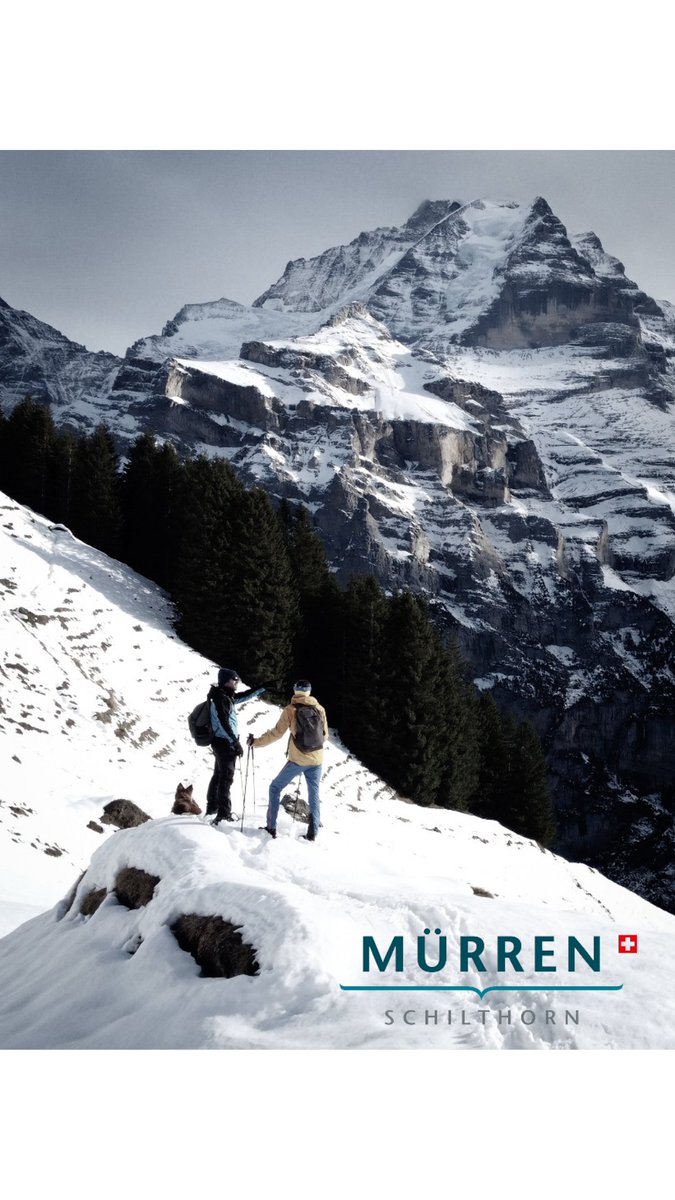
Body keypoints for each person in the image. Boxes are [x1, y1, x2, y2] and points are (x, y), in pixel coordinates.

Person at [248, 679, 328, 842]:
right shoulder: (319, 708)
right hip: (317, 759)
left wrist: (256, 742)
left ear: (295, 691)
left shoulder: (290, 710)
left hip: (298, 760)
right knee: (314, 794)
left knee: (275, 788)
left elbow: (276, 733)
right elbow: (324, 735)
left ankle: (271, 827)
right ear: (309, 691)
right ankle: (313, 833)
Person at [207, 668, 264, 826]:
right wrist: (235, 742)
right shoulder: (221, 698)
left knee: (219, 775)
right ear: (227, 681)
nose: (237, 682)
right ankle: (223, 814)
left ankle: (212, 808)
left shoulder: (224, 696)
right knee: (225, 779)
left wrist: (262, 688)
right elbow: (223, 722)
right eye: (235, 680)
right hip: (225, 744)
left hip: (221, 742)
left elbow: (244, 696)